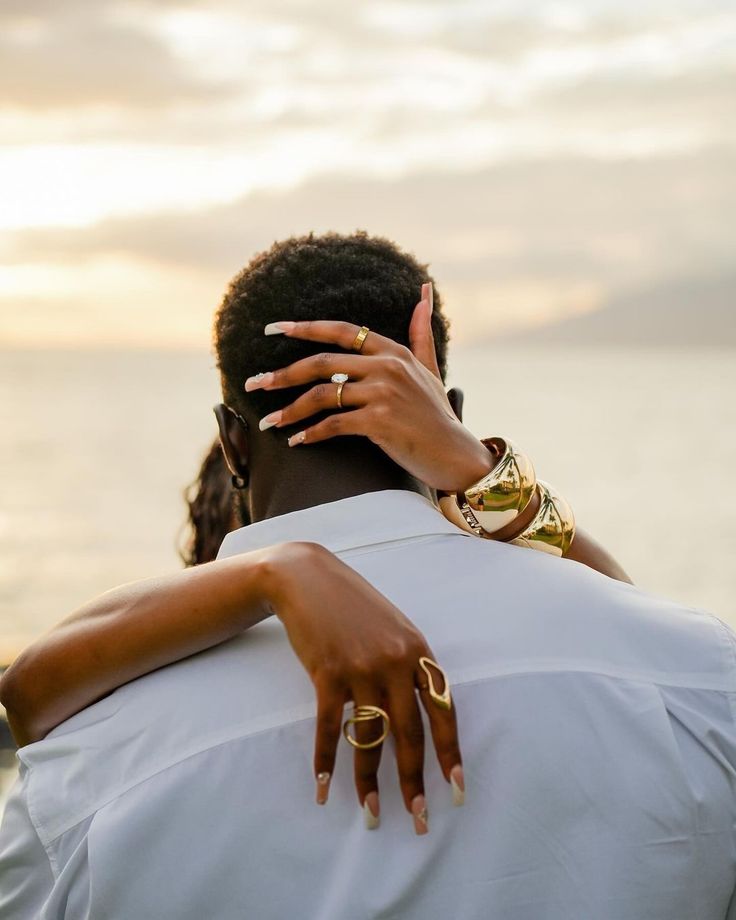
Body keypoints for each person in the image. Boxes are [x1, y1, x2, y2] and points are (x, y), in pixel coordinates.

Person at [1, 232, 735, 919]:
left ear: (231, 442)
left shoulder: (90, 772)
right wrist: (482, 475)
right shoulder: (696, 680)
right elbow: (636, 624)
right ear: (448, 416)